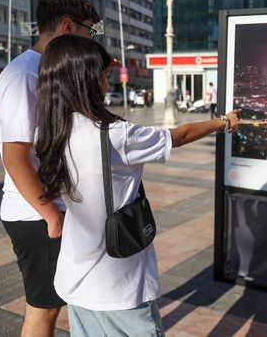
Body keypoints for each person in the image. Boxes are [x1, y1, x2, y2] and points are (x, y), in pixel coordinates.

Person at [34, 35, 240, 336]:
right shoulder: (116, 135)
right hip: (118, 283)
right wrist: (223, 122)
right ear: (84, 80)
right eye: (104, 77)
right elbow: (178, 136)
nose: (107, 86)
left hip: (74, 277)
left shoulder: (49, 133)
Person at [0, 0, 100, 337]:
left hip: (50, 208)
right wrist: (52, 216)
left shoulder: (48, 70)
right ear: (68, 26)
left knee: (55, 305)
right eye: (89, 30)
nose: (90, 39)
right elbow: (15, 157)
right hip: (36, 213)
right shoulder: (24, 75)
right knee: (44, 311)